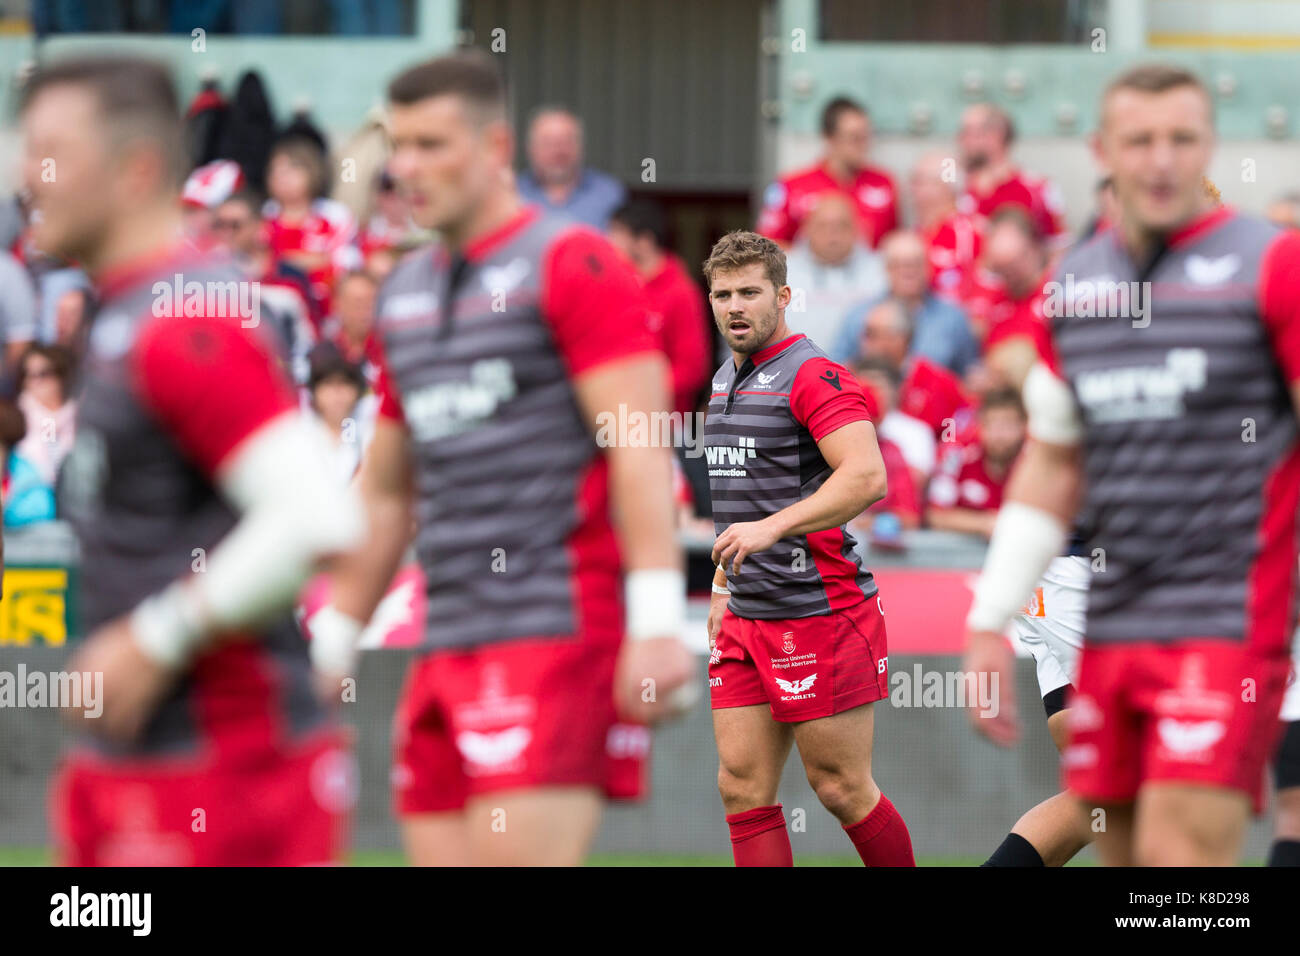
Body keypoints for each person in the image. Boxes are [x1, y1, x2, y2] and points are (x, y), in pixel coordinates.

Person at [306, 50, 694, 866]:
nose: (407, 167)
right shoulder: (404, 293)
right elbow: (384, 496)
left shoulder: (574, 261)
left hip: (555, 630)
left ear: (493, 147)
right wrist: (331, 643)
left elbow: (637, 446)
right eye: (398, 145)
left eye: (431, 144)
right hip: (445, 638)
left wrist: (658, 623)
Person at [22, 55, 364, 866]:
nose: (31, 179)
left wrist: (154, 641)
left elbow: (318, 515)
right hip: (132, 766)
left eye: (52, 155)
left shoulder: (181, 320)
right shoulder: (120, 312)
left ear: (137, 170)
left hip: (221, 772)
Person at [963, 64, 1300, 866]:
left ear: (1209, 147)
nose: (1161, 160)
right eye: (1140, 140)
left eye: (1182, 139)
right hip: (1108, 619)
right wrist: (988, 619)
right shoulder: (1074, 288)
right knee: (1120, 837)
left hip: (1223, 612)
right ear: (1103, 151)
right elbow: (1051, 464)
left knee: (1181, 851)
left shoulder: (1272, 267)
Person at [701, 230, 912, 867]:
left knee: (841, 788)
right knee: (740, 788)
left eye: (749, 292)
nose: (734, 305)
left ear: (784, 296)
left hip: (819, 610)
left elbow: (866, 475)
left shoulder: (814, 374)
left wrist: (773, 528)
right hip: (745, 615)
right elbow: (737, 497)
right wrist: (720, 590)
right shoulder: (721, 380)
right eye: (721, 293)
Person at [607, 197, 713, 415]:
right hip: (618, 418)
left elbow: (692, 368)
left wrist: (637, 389)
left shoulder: (681, 292)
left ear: (644, 241)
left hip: (666, 424)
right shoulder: (617, 285)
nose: (609, 241)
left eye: (617, 233)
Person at [757, 96, 898, 249]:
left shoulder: (883, 183)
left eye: (866, 137)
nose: (864, 145)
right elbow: (766, 245)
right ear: (829, 137)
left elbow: (894, 245)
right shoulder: (791, 186)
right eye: (854, 138)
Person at [833, 232, 978, 376]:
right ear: (887, 269)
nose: (908, 271)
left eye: (915, 264)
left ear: (928, 267)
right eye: (900, 265)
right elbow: (837, 369)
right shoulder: (860, 316)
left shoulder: (952, 318)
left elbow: (968, 375)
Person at [855, 298, 973, 443]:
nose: (865, 343)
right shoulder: (851, 379)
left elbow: (963, 427)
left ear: (901, 339)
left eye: (871, 334)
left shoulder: (938, 383)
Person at [263, 136, 360, 312]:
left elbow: (345, 265)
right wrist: (310, 261)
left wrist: (287, 261)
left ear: (312, 171)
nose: (281, 177)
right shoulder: (262, 219)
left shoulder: (335, 216)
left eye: (291, 169)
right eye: (275, 170)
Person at [781, 194, 887, 353]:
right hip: (795, 371)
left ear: (857, 229)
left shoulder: (881, 272)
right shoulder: (782, 272)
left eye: (841, 226)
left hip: (862, 373)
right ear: (807, 229)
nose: (832, 234)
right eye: (823, 226)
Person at [956, 103, 1066, 248]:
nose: (961, 140)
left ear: (995, 135)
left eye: (968, 132)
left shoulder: (1037, 189)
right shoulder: (954, 188)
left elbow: (1059, 247)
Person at [925, 387, 1025, 538]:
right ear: (980, 426)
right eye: (992, 425)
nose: (1000, 435)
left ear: (1023, 426)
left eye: (1008, 425)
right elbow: (936, 515)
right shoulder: (956, 453)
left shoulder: (1033, 459)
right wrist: (984, 524)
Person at [517, 106, 626, 228]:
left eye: (566, 142)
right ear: (531, 149)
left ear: (581, 146)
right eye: (549, 143)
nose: (558, 151)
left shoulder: (609, 193)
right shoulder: (514, 193)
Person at [910, 152, 982, 295]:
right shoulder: (916, 233)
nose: (912, 189)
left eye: (919, 181)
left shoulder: (968, 233)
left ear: (945, 187)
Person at [15, 343, 76, 486]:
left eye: (43, 374)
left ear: (61, 376)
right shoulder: (17, 420)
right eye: (27, 374)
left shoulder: (81, 416)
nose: (33, 381)